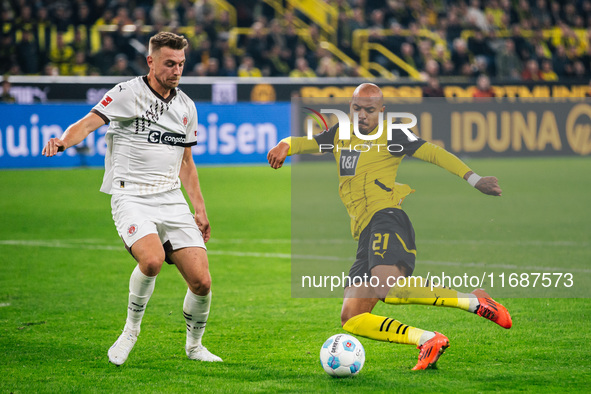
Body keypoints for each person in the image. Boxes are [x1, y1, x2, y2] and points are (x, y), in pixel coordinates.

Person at [267, 83, 511, 371]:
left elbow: (435, 153)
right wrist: (285, 144)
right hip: (365, 234)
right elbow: (306, 142)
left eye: (369, 110)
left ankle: (474, 301)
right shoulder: (340, 134)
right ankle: (427, 339)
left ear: (381, 111)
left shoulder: (394, 134)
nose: (362, 115)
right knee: (353, 316)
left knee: (387, 287)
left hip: (388, 218)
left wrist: (474, 179)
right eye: (356, 108)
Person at [42, 32, 222, 365]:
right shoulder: (127, 93)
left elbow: (186, 162)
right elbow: (87, 123)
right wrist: (63, 141)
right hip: (131, 195)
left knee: (202, 282)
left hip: (171, 198)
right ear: (150, 61)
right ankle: (130, 332)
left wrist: (200, 208)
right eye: (169, 63)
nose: (176, 70)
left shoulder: (186, 107)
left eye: (181, 64)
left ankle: (195, 346)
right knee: (151, 260)